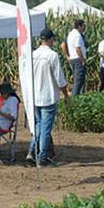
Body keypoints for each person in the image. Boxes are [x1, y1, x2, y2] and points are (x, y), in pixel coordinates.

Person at [29, 29, 68, 165]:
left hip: (34, 96)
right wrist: (66, 95)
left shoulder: (32, 55)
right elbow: (59, 79)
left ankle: (32, 152)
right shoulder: (53, 55)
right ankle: (43, 157)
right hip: (48, 96)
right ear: (51, 39)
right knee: (45, 129)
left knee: (38, 126)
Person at [66, 19, 87, 96]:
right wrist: (82, 60)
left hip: (73, 59)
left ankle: (78, 97)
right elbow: (78, 48)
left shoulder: (71, 34)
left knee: (78, 80)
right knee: (78, 82)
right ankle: (75, 99)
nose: (85, 27)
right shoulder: (77, 35)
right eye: (83, 25)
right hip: (78, 60)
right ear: (79, 26)